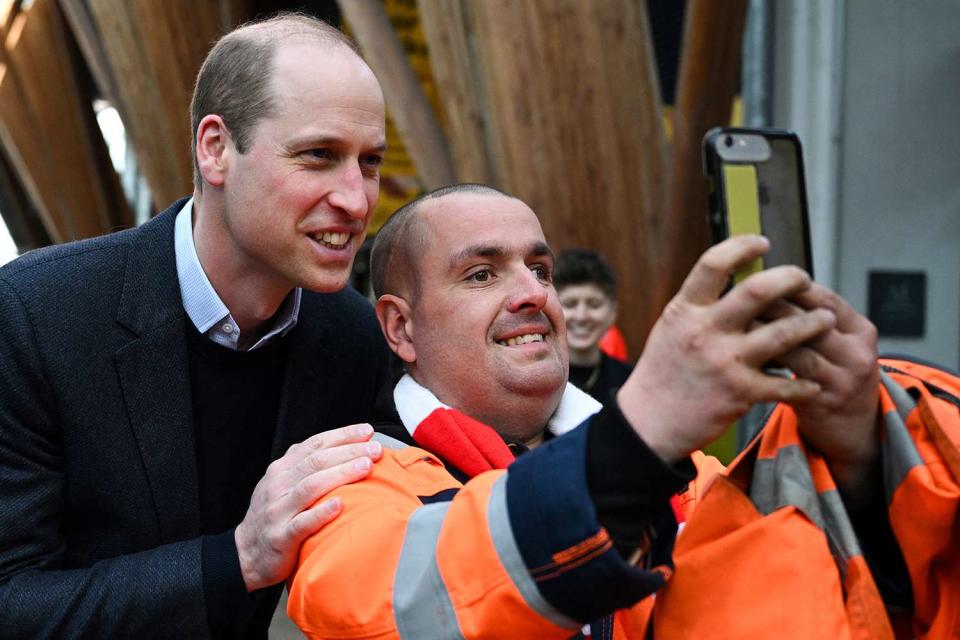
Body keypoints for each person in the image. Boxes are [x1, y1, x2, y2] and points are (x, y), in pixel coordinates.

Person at [286, 184, 899, 638]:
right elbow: (405, 609)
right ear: (400, 327)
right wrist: (632, 444)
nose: (532, 293)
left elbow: (828, 597)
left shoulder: (679, 471)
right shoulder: (347, 481)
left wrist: (860, 461)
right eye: (481, 274)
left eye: (540, 268)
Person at [0, 14, 391, 638]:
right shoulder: (36, 314)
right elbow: (11, 602)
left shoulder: (357, 338)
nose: (356, 198)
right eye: (319, 155)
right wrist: (235, 560)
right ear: (215, 149)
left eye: (369, 162)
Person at [554, 248, 633, 402]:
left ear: (613, 312)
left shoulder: (630, 382)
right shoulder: (536, 380)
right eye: (570, 304)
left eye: (594, 304)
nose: (581, 316)